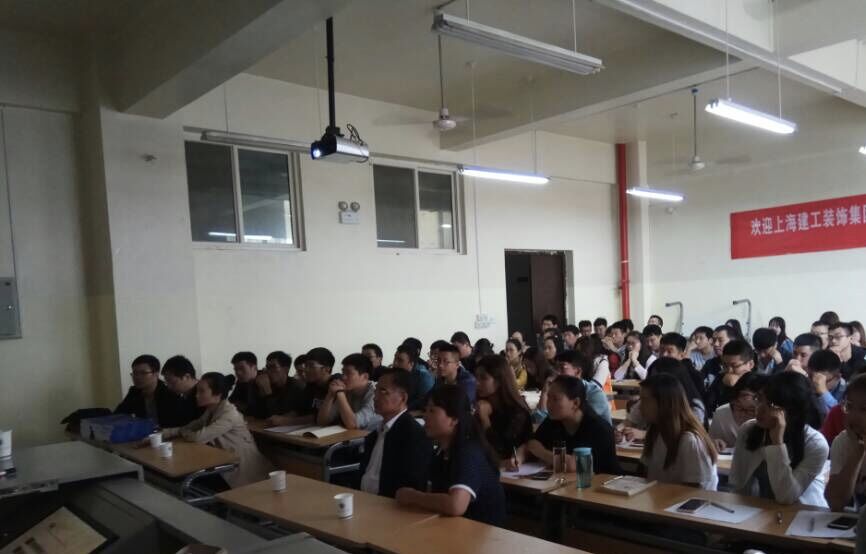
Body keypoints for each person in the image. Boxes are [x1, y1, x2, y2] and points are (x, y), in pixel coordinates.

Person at [395, 384, 506, 526]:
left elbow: (456, 505)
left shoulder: (469, 452)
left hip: (481, 533)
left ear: (454, 419)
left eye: (432, 411)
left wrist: (414, 497)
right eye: (425, 410)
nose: (425, 416)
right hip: (452, 527)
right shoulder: (441, 452)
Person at [729, 371, 828, 506]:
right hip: (759, 510)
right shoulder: (748, 430)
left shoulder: (816, 444)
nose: (759, 409)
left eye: (771, 405)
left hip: (802, 512)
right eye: (759, 399)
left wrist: (777, 443)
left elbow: (786, 496)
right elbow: (737, 483)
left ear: (793, 411)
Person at [161, 372, 273, 488]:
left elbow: (198, 437)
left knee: (190, 478)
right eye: (197, 391)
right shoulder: (211, 410)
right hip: (225, 463)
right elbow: (192, 426)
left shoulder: (229, 413)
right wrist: (166, 433)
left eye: (202, 391)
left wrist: (184, 433)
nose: (196, 395)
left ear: (217, 394)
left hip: (243, 469)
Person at [359, 369, 432, 498]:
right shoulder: (375, 432)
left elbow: (411, 485)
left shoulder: (414, 435)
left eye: (383, 392)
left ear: (403, 398)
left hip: (390, 505)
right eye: (376, 391)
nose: (375, 397)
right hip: (363, 499)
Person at [527, 375, 621, 474]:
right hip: (568, 481)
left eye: (555, 399)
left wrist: (542, 452)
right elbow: (532, 443)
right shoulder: (554, 419)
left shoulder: (598, 428)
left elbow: (575, 465)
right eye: (548, 397)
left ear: (575, 403)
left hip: (602, 482)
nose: (548, 404)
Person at [639, 373, 718, 490]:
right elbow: (647, 474)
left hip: (685, 499)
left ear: (664, 403)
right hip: (660, 497)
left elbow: (692, 491)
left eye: (645, 400)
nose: (640, 406)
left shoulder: (689, 440)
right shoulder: (655, 430)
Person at [475, 355, 533, 469]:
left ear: (499, 381)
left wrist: (485, 420)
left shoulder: (517, 412)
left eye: (483, 378)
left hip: (509, 470)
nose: (477, 382)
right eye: (476, 377)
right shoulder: (481, 405)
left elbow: (503, 451)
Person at [116, 354, 196, 428]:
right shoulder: (134, 392)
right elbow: (118, 415)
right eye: (135, 373)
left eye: (143, 373)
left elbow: (180, 425)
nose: (137, 377)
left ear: (156, 374)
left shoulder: (170, 393)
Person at [825, 374, 866, 511]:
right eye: (849, 406)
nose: (853, 416)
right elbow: (835, 502)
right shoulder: (844, 441)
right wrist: (858, 451)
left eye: (864, 409)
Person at [317, 353, 381, 431]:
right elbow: (322, 422)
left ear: (365, 376)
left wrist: (340, 393)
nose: (343, 377)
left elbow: (353, 424)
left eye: (348, 373)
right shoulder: (347, 389)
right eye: (343, 372)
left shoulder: (376, 392)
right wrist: (330, 395)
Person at [547, 351, 612, 423]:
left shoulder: (594, 394)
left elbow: (584, 423)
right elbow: (542, 420)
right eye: (555, 368)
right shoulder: (557, 392)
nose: (557, 373)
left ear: (577, 372)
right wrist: (545, 391)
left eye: (562, 368)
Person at [709, 372, 767, 451]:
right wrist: (715, 443)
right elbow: (710, 442)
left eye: (751, 410)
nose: (743, 414)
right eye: (739, 408)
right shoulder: (721, 413)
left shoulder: (767, 417)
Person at [705, 339, 755, 418]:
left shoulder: (759, 383)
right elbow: (708, 404)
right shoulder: (721, 378)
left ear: (751, 364)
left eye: (735, 366)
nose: (729, 370)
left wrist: (737, 386)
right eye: (725, 365)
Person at [257, 351, 305, 420]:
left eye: (273, 367)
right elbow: (258, 414)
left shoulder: (297, 387)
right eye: (267, 367)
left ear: (286, 369)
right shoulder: (266, 383)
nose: (269, 371)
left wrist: (268, 393)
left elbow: (277, 417)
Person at [160, 355, 204, 426]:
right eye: (167, 382)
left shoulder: (204, 396)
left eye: (172, 382)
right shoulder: (183, 396)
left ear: (187, 377)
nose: (169, 386)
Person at [393, 344, 434, 411]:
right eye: (394, 358)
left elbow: (424, 403)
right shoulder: (391, 375)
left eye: (400, 360)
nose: (395, 363)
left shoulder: (422, 377)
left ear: (411, 364)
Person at [807, 350, 846, 420]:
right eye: (810, 377)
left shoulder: (848, 392)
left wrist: (824, 392)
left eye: (821, 381)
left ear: (837, 377)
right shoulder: (806, 383)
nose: (814, 383)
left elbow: (839, 418)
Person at [700, 324, 735, 391]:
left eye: (720, 340)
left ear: (732, 341)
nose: (716, 344)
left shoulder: (739, 365)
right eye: (714, 340)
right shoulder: (710, 363)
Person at [228, 351, 263, 416]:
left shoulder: (264, 381)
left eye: (242, 368)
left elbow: (258, 411)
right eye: (235, 369)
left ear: (254, 368)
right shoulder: (241, 382)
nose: (238, 373)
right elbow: (230, 403)